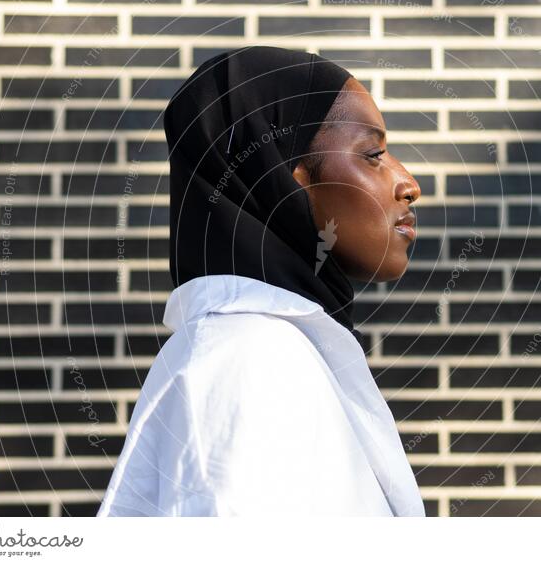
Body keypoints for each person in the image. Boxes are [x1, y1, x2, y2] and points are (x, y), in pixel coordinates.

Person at [97, 46, 423, 517]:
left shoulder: (280, 347)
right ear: (282, 179)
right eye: (373, 154)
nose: (409, 183)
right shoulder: (248, 358)